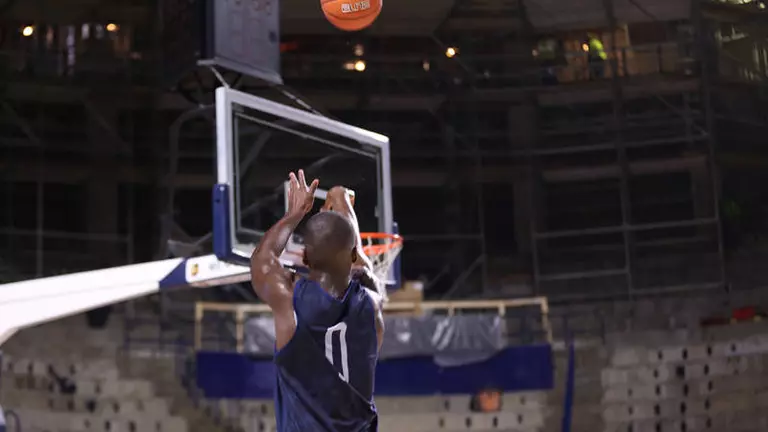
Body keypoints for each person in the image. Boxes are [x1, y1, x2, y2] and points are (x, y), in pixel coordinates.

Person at [250, 170, 385, 432]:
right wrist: (341, 199)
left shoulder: (291, 304)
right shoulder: (373, 306)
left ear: (304, 257)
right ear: (354, 253)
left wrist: (295, 214)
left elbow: (262, 261)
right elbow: (361, 265)